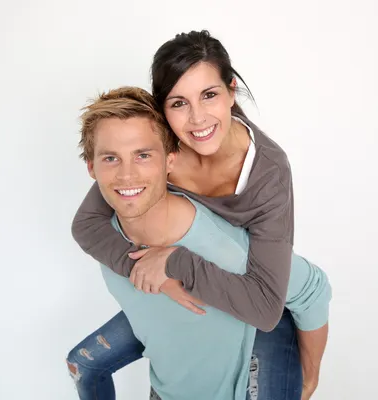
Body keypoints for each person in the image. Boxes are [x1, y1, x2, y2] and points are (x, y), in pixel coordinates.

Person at [71, 31, 331, 399]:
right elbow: (87, 223)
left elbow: (272, 303)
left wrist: (309, 376)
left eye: (209, 95)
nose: (197, 119)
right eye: (178, 103)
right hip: (202, 289)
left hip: (256, 291)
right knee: (84, 361)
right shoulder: (155, 150)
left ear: (231, 90)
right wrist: (145, 271)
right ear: (163, 110)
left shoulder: (269, 172)